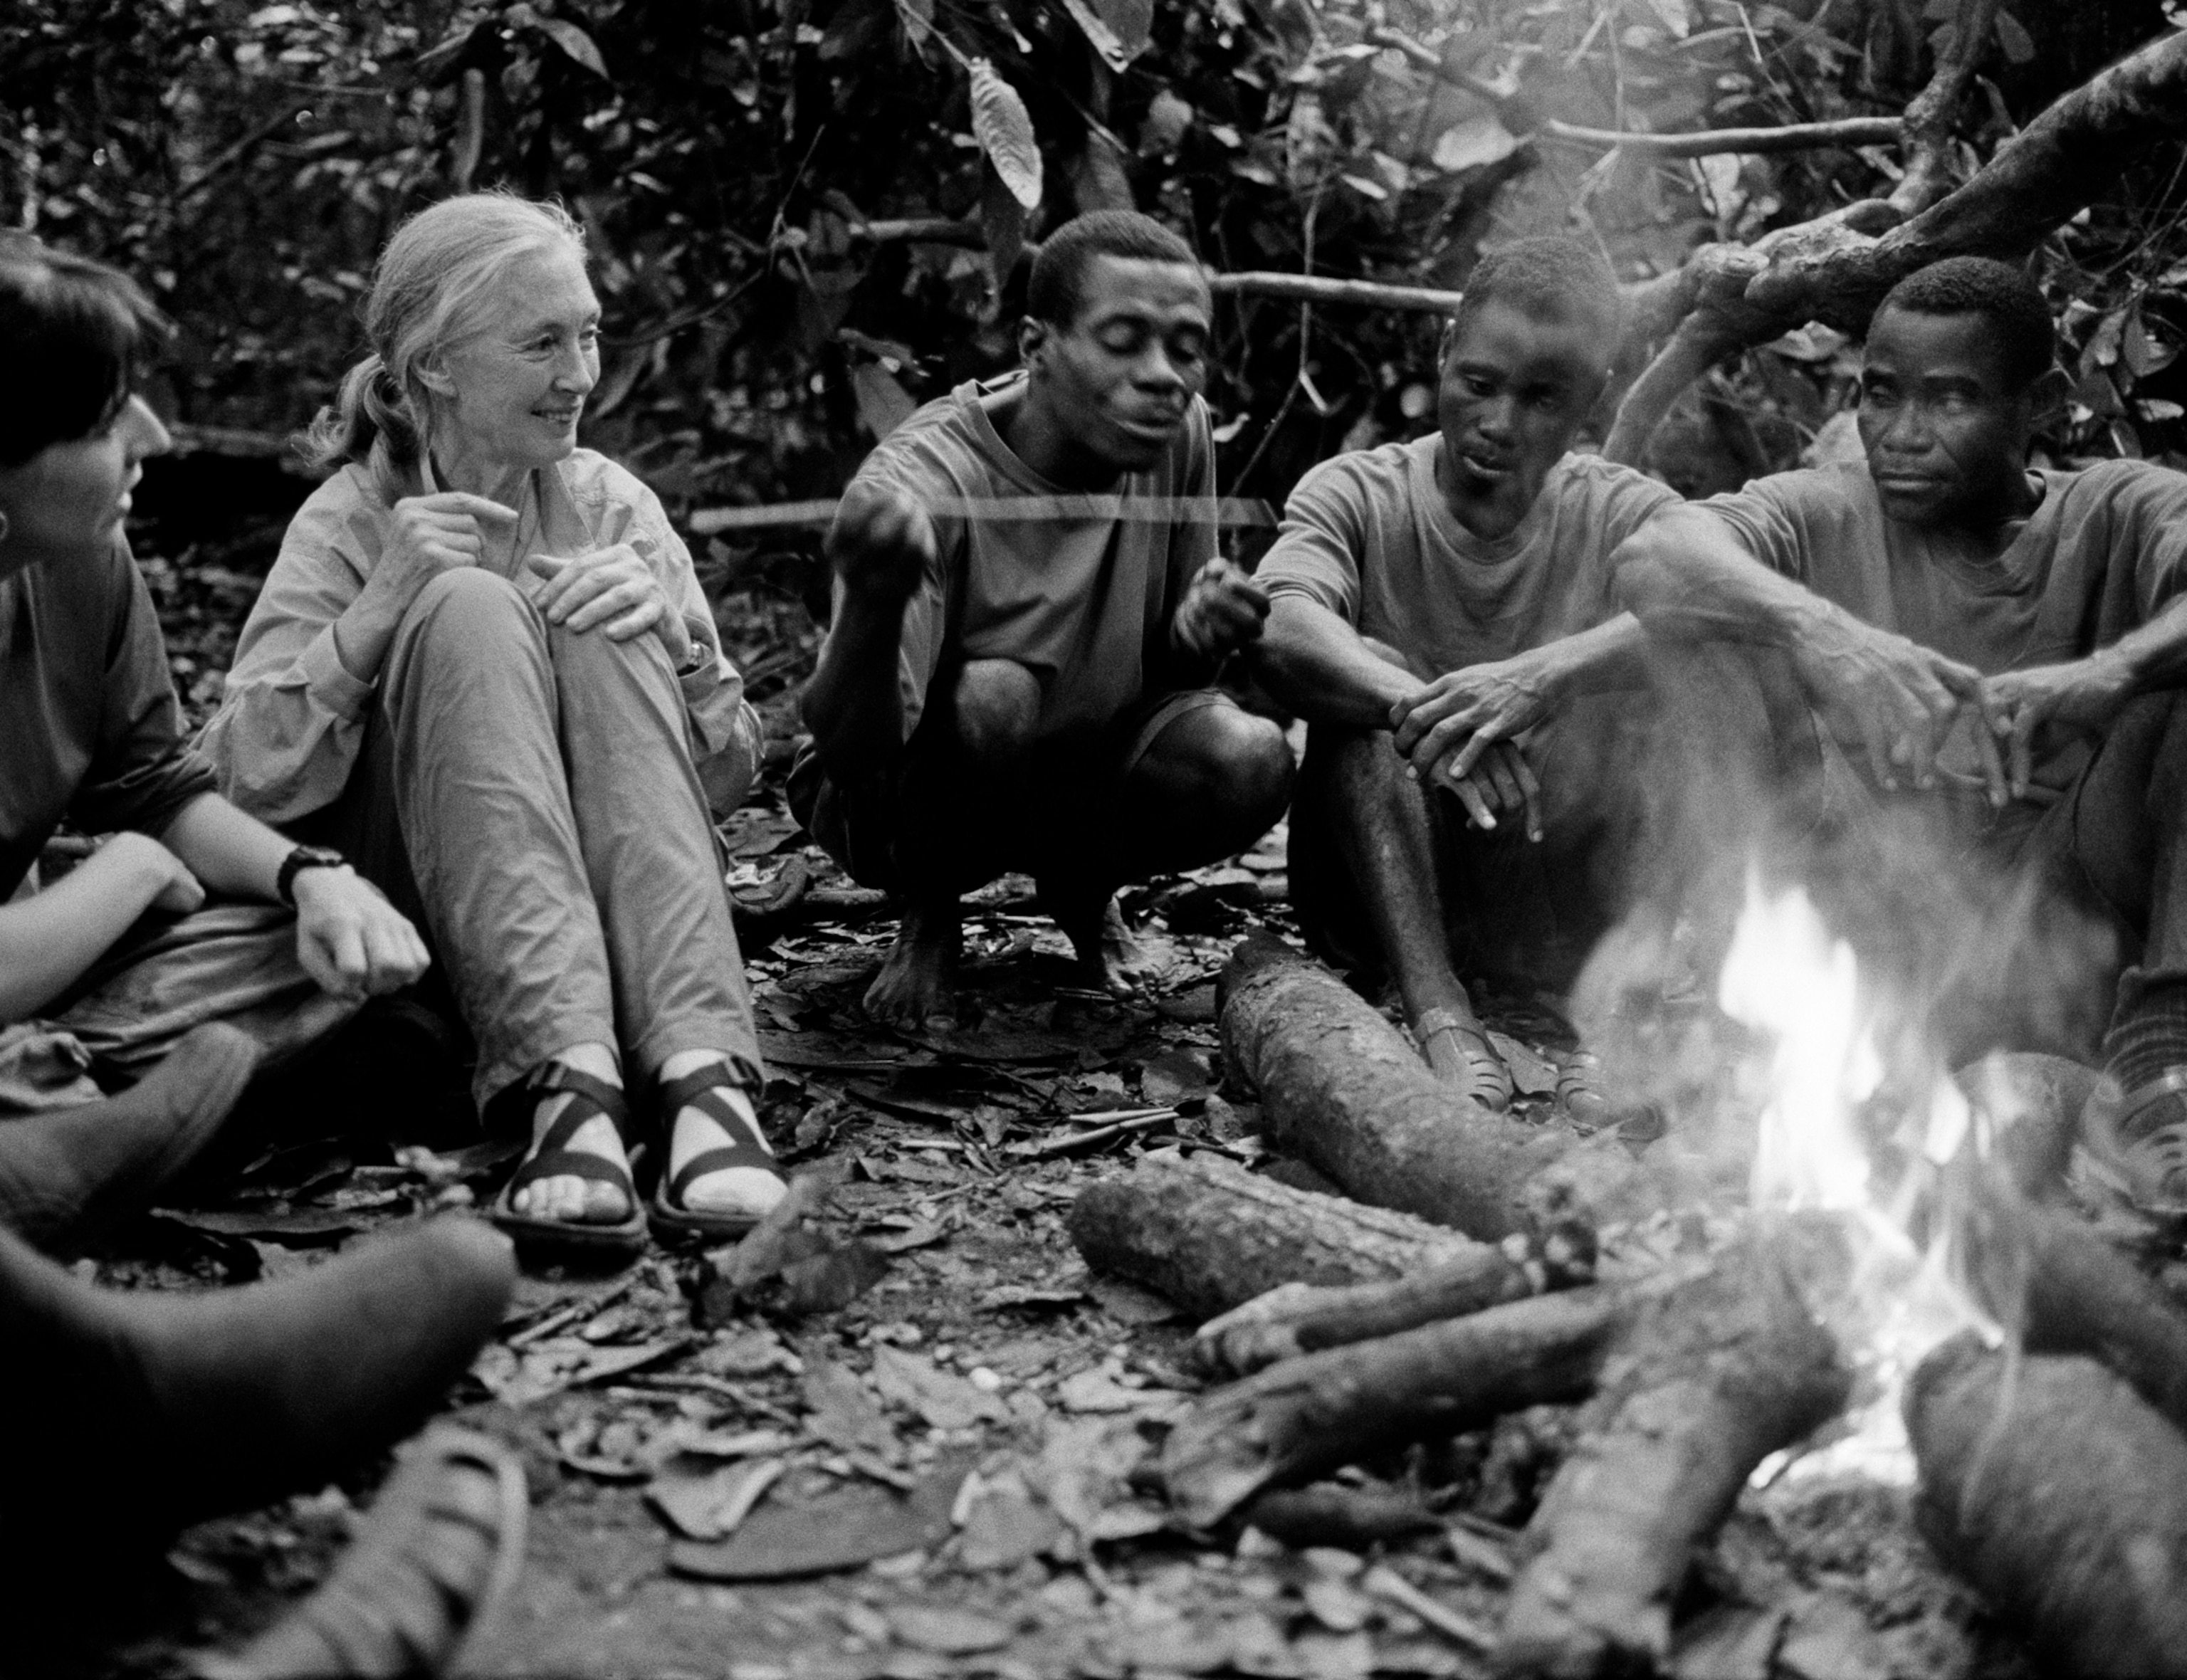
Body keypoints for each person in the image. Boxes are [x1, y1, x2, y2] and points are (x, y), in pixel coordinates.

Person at [201, 192, 787, 1255]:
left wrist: (686, 654)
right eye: (541, 344)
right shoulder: (345, 520)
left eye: (589, 334)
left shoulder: (611, 504)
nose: (580, 376)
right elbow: (230, 790)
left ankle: (704, 1081)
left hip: (620, 926)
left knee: (611, 621)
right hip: (427, 935)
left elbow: (727, 784)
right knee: (466, 604)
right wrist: (378, 613)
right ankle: (563, 1089)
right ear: (433, 368)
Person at [1612, 256, 2187, 1208]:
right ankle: (1729, 1049)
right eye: (1881, 397)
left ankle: (2168, 1081)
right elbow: (1651, 555)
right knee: (1708, 642)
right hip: (1882, 948)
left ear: (2034, 404)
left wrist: (2106, 674)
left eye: (1950, 400)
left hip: (2073, 943)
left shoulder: (2119, 508)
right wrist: (1827, 633)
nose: (1903, 437)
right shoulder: (1829, 510)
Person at [1252, 236, 1810, 1111]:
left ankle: (1623, 1009)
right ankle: (1439, 1010)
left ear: (1589, 402)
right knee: (1369, 675)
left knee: (1698, 669)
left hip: (1558, 905)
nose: (1501, 423)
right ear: (1444, 355)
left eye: (1542, 399)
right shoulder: (1357, 491)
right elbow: (1280, 626)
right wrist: (1434, 715)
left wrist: (1541, 678)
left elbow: (1729, 601)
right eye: (1478, 384)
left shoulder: (1619, 506)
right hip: (1381, 893)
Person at [0, 233, 431, 1246]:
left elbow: (156, 785)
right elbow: (146, 844)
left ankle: (79, 1093)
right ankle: (58, 1133)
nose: (150, 435)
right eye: (108, 418)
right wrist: (137, 870)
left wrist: (312, 878)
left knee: (319, 942)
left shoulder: (87, 567)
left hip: (41, 972)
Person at [793, 209, 1294, 1028]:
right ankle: (930, 912)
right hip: (898, 794)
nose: (1164, 374)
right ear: (1036, 347)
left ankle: (1081, 887)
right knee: (996, 693)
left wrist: (1198, 632)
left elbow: (1171, 676)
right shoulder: (920, 481)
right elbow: (854, 752)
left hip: (1075, 758)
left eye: (1186, 347)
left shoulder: (1175, 428)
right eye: (1125, 338)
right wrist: (872, 614)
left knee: (1249, 757)